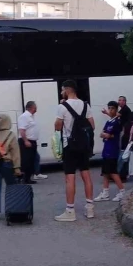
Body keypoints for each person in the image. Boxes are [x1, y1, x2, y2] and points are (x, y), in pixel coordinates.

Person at [54, 79, 95, 222]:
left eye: (62, 90)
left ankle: (70, 211)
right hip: (84, 145)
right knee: (86, 175)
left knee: (70, 178)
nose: (61, 92)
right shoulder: (85, 105)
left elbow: (57, 127)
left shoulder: (62, 107)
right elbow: (92, 126)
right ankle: (90, 208)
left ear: (67, 90)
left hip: (69, 146)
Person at [94, 101, 126, 202]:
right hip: (106, 149)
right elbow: (102, 134)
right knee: (105, 173)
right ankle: (105, 192)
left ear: (116, 110)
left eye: (112, 108)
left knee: (113, 172)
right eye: (109, 108)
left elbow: (109, 135)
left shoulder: (117, 122)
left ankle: (122, 191)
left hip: (112, 150)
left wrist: (107, 135)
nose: (110, 110)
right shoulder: (109, 122)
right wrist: (106, 135)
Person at [18, 101, 39, 184]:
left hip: (32, 141)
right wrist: (25, 141)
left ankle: (28, 178)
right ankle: (23, 178)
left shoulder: (31, 116)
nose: (36, 109)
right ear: (30, 107)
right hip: (26, 141)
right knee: (26, 161)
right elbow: (22, 130)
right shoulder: (24, 116)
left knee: (31, 160)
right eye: (35, 107)